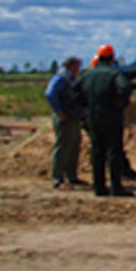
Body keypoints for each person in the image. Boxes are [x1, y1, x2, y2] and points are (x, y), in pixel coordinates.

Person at [73, 43, 133, 197]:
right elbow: (125, 88)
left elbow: (74, 93)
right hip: (112, 116)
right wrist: (120, 104)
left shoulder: (86, 75)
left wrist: (84, 110)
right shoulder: (114, 74)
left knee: (97, 151)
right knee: (114, 151)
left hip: (93, 117)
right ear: (112, 58)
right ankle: (116, 186)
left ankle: (98, 187)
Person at [44, 56, 85, 189]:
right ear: (71, 66)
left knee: (74, 146)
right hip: (64, 118)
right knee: (63, 147)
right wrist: (59, 112)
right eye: (78, 66)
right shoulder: (61, 78)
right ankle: (57, 177)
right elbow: (50, 94)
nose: (79, 69)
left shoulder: (71, 78)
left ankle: (71, 176)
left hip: (73, 117)